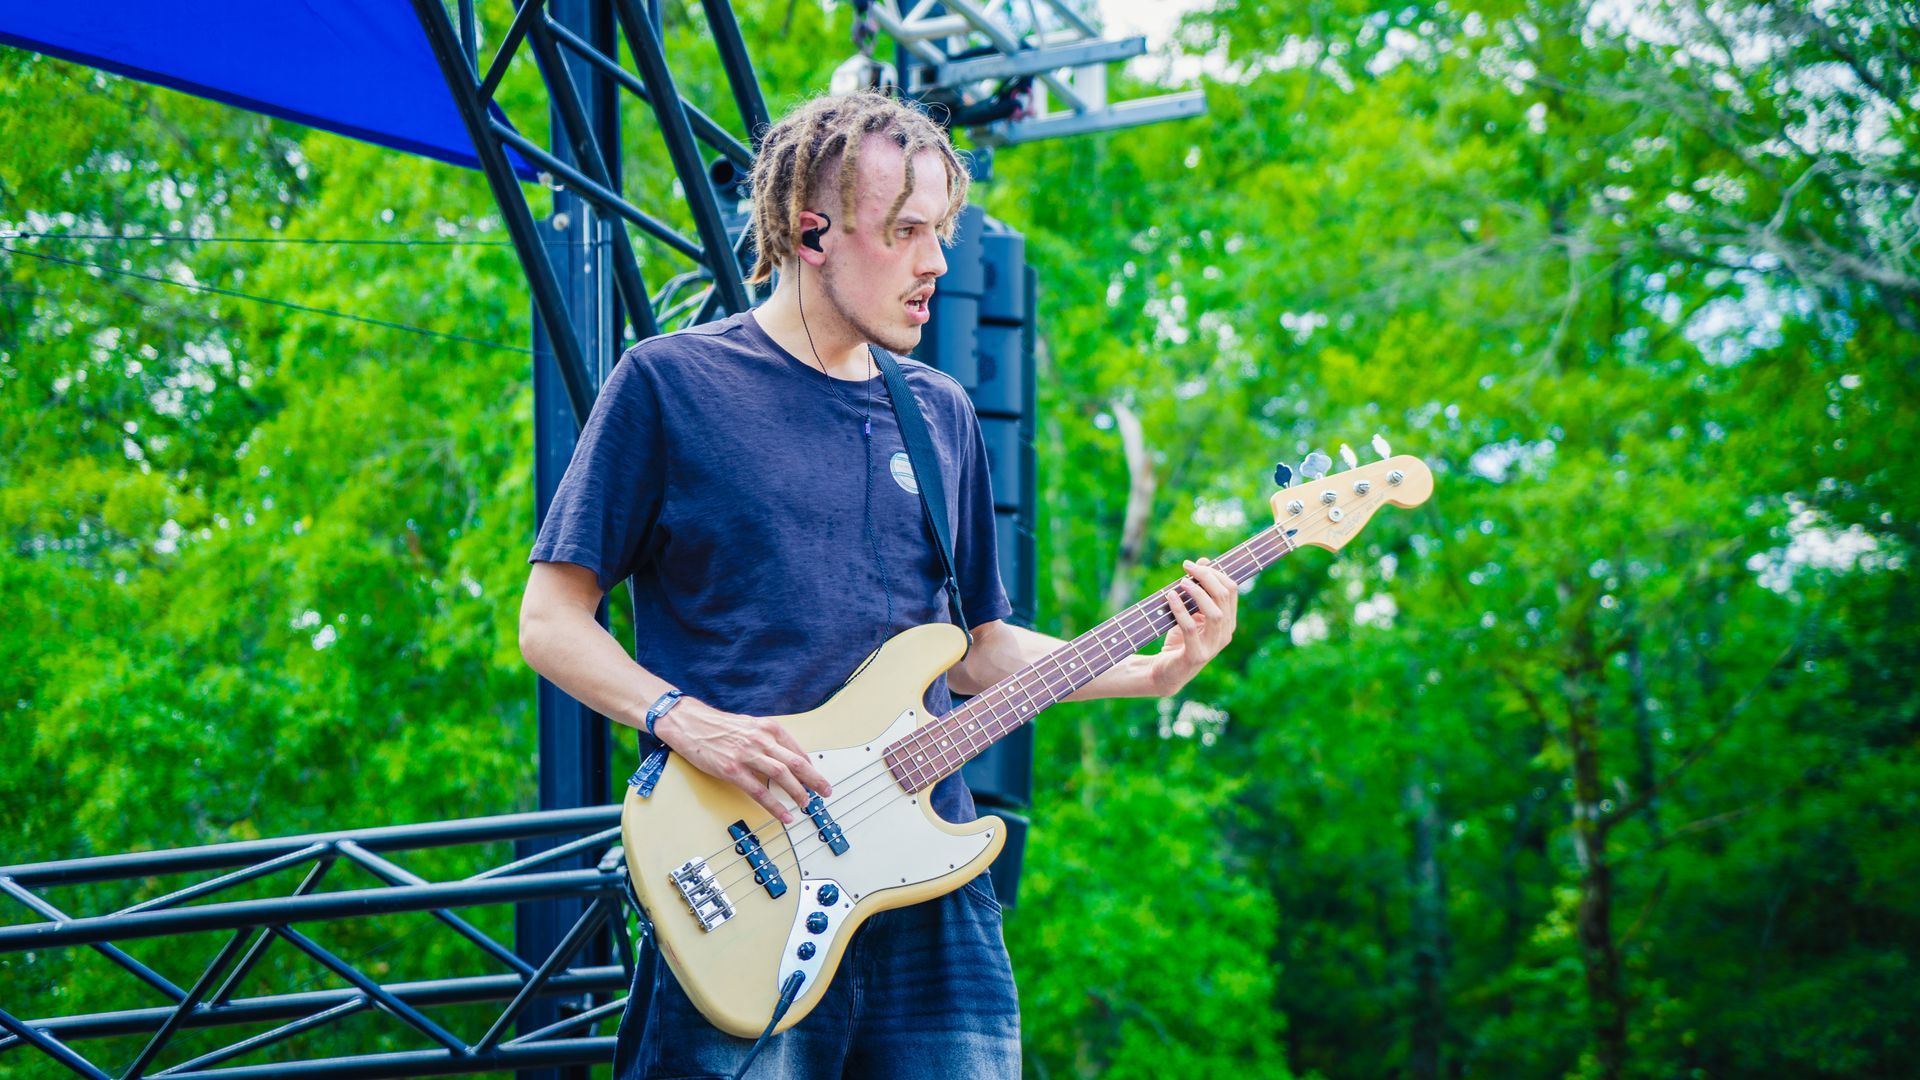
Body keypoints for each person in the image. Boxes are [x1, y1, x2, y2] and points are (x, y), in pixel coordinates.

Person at [519, 90, 1240, 1080]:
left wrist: (1153, 672)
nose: (935, 262)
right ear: (811, 231)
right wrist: (689, 722)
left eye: (939, 231)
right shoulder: (670, 383)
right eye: (905, 231)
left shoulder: (939, 413)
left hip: (926, 885)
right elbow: (550, 621)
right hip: (746, 873)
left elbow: (979, 650)